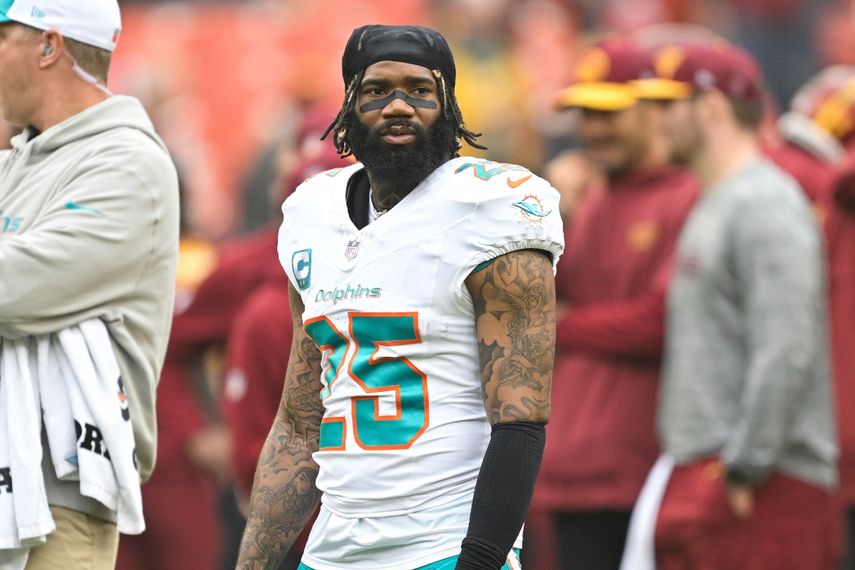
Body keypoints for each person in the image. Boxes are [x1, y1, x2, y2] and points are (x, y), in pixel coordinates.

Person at [235, 24, 564, 570]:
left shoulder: (492, 209)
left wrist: (479, 560)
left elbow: (521, 419)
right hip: (334, 548)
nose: (398, 106)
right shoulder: (310, 216)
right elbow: (299, 422)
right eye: (375, 90)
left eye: (419, 90)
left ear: (448, 106)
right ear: (347, 106)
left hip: (443, 541)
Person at [0, 0, 179, 567]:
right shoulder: (18, 161)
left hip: (61, 500)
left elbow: (15, 285)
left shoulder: (128, 164)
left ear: (49, 46)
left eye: (2, 36)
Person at [652, 43, 840, 568]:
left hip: (765, 484)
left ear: (712, 107)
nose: (655, 120)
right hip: (716, 474)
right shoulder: (719, 197)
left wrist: (745, 467)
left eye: (669, 105)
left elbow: (787, 349)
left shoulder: (766, 203)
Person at [535, 38, 698, 570]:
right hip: (569, 467)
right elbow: (533, 301)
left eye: (610, 113)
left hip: (643, 466)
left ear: (653, 110)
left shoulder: (687, 194)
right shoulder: (590, 195)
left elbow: (664, 321)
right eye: (585, 113)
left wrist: (567, 325)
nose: (595, 128)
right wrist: (550, 216)